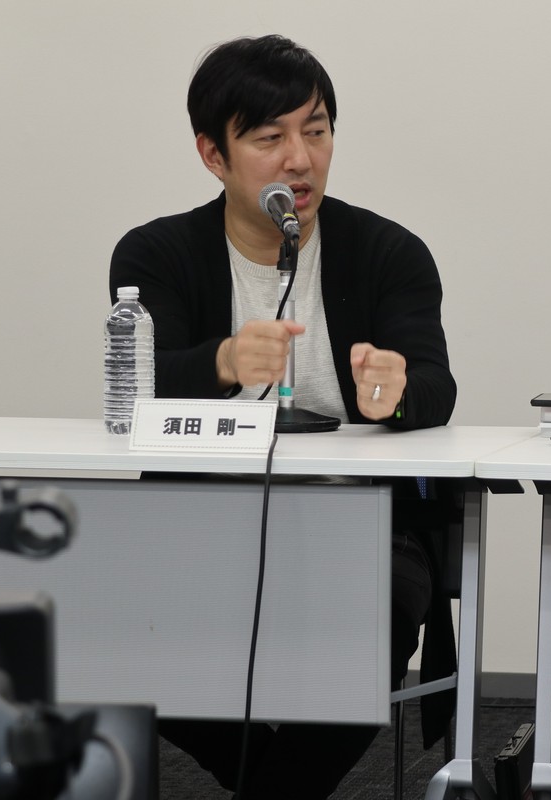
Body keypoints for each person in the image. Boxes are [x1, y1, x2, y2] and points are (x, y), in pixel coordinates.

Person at [109, 35, 457, 799]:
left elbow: (435, 386)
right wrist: (225, 361)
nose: (301, 160)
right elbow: (139, 387)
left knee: (367, 638)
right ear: (213, 154)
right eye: (270, 138)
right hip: (198, 526)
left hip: (365, 529)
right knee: (107, 634)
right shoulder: (155, 254)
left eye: (317, 131)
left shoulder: (389, 252)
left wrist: (396, 391)